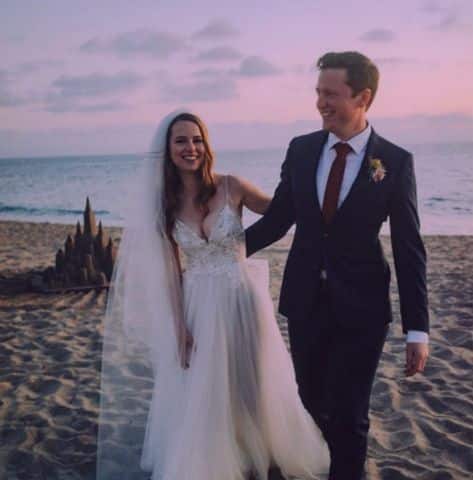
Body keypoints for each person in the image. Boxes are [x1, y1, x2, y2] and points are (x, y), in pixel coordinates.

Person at [96, 110, 329, 480]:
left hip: (241, 298)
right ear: (168, 150)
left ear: (206, 144)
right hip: (197, 306)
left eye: (197, 139)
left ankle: (261, 454)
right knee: (206, 389)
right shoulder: (164, 206)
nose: (191, 148)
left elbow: (282, 210)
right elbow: (172, 273)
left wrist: (308, 174)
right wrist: (179, 328)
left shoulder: (230, 186)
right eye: (181, 141)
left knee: (250, 382)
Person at [245, 51, 430, 480]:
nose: (321, 103)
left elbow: (409, 247)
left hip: (363, 310)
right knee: (309, 406)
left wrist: (417, 330)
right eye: (318, 92)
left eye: (331, 93)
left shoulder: (395, 163)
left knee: (349, 415)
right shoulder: (302, 149)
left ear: (363, 97)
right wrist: (226, 249)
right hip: (306, 302)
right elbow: (278, 219)